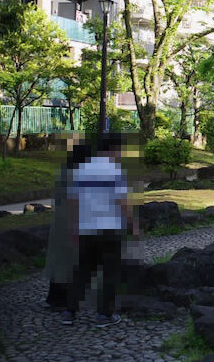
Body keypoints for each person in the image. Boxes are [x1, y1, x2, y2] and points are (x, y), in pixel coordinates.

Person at [62, 136, 131, 327]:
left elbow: (72, 201)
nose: (119, 155)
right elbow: (122, 201)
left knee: (82, 270)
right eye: (118, 151)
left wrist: (73, 226)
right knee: (110, 272)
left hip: (86, 227)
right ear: (113, 150)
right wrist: (131, 222)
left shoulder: (82, 170)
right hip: (110, 227)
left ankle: (69, 311)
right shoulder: (115, 171)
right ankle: (104, 315)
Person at [43, 141, 82, 310]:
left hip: (59, 222)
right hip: (72, 222)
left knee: (58, 261)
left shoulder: (64, 172)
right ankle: (65, 301)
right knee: (69, 262)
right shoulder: (78, 175)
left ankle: (54, 298)